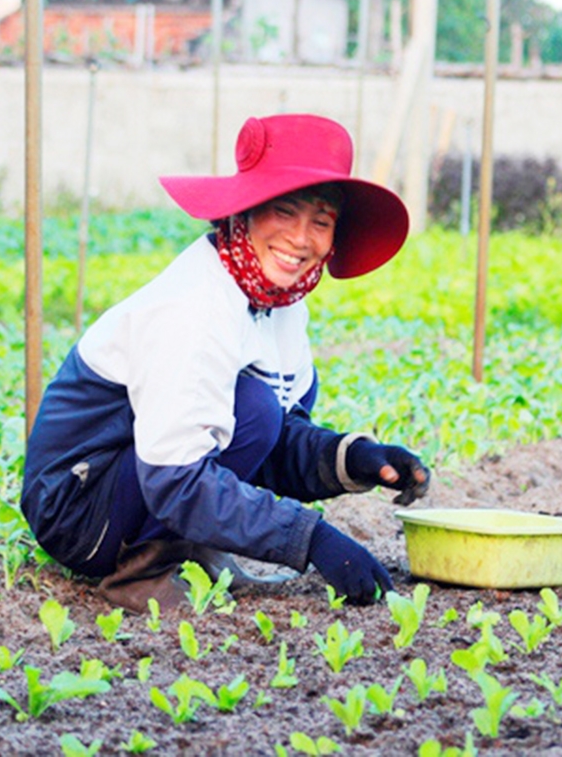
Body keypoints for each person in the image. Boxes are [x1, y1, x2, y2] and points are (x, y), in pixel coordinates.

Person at [21, 113, 430, 613]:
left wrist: (356, 458)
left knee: (258, 409)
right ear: (247, 212)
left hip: (144, 482)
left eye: (321, 221)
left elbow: (265, 441)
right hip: (80, 512)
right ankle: (140, 573)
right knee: (254, 403)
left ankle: (192, 552)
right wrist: (313, 540)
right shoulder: (194, 307)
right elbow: (175, 479)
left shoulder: (278, 302)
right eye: (285, 211)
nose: (302, 239)